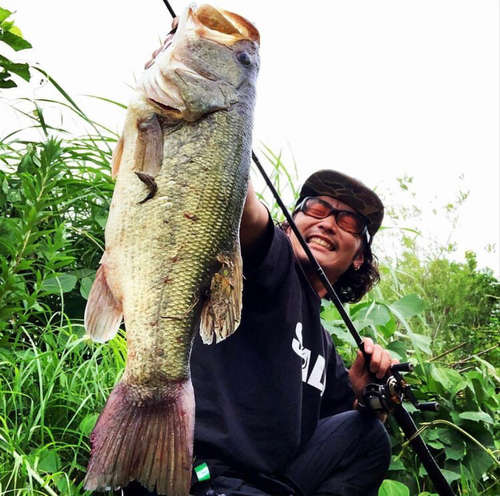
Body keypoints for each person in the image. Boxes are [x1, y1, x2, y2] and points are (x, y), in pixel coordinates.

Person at [188, 169, 395, 496]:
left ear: (358, 258)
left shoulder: (324, 348)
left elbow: (346, 432)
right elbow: (244, 208)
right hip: (202, 474)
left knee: (369, 439)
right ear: (287, 225)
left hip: (265, 485)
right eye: (315, 209)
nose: (327, 223)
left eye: (349, 222)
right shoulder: (269, 263)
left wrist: (371, 398)